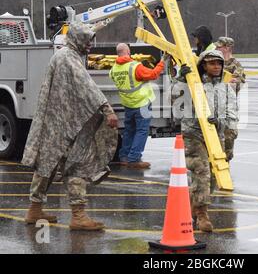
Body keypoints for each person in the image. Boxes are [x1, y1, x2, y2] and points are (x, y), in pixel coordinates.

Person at [22, 22, 118, 231]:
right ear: (77, 39)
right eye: (87, 40)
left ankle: (35, 209)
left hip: (56, 121)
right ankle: (78, 215)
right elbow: (86, 85)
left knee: (47, 164)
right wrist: (106, 109)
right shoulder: (68, 58)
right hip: (66, 124)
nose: (90, 45)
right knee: (77, 163)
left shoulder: (63, 55)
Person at [171, 50, 237, 232]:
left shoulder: (225, 88)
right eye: (211, 63)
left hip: (216, 135)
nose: (216, 67)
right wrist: (180, 80)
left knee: (215, 175)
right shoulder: (192, 84)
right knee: (201, 172)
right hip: (194, 133)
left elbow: (232, 112)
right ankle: (202, 214)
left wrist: (223, 124)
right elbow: (176, 104)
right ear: (203, 65)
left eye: (219, 63)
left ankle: (196, 205)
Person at [110, 43, 165, 169]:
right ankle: (134, 159)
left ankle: (124, 157)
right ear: (128, 52)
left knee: (129, 130)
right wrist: (162, 62)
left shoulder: (114, 69)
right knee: (141, 131)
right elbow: (153, 75)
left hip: (128, 104)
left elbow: (116, 79)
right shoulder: (135, 66)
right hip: (142, 103)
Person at [215, 36, 246, 162]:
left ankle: (226, 159)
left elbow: (238, 83)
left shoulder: (236, 65)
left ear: (227, 48)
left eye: (220, 46)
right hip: (213, 104)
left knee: (230, 134)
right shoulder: (215, 62)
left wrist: (232, 83)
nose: (217, 48)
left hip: (228, 105)